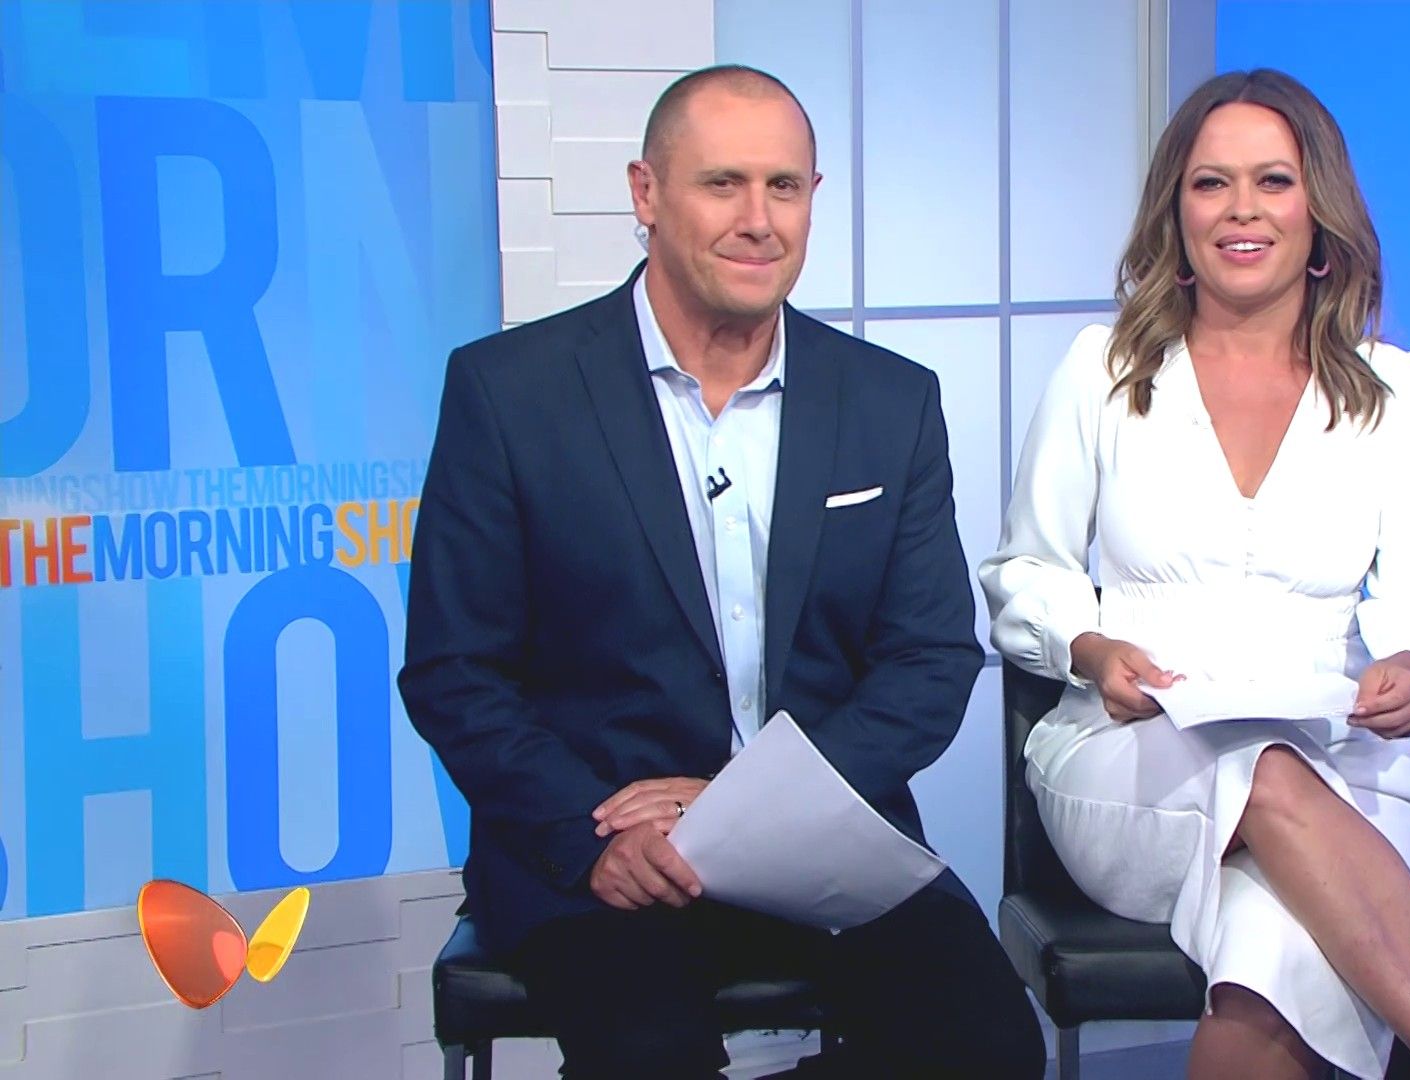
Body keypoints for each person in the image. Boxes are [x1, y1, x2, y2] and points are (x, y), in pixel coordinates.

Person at [400, 63, 1042, 1080]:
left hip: (819, 839)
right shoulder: (510, 393)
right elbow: (455, 670)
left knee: (988, 1047)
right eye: (722, 184)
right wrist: (587, 835)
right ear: (646, 193)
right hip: (601, 849)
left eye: (783, 187)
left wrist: (753, 804)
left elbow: (928, 661)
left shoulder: (890, 401)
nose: (758, 220)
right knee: (648, 1055)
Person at [980, 69, 1410, 1080]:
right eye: (1210, 183)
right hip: (1134, 758)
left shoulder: (1400, 392)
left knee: (1270, 946)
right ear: (1176, 211)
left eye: (1272, 181)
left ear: (1320, 211)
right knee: (1260, 771)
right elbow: (1026, 570)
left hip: (1343, 761)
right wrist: (1089, 647)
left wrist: (1409, 662)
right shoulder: (1104, 371)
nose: (1241, 210)